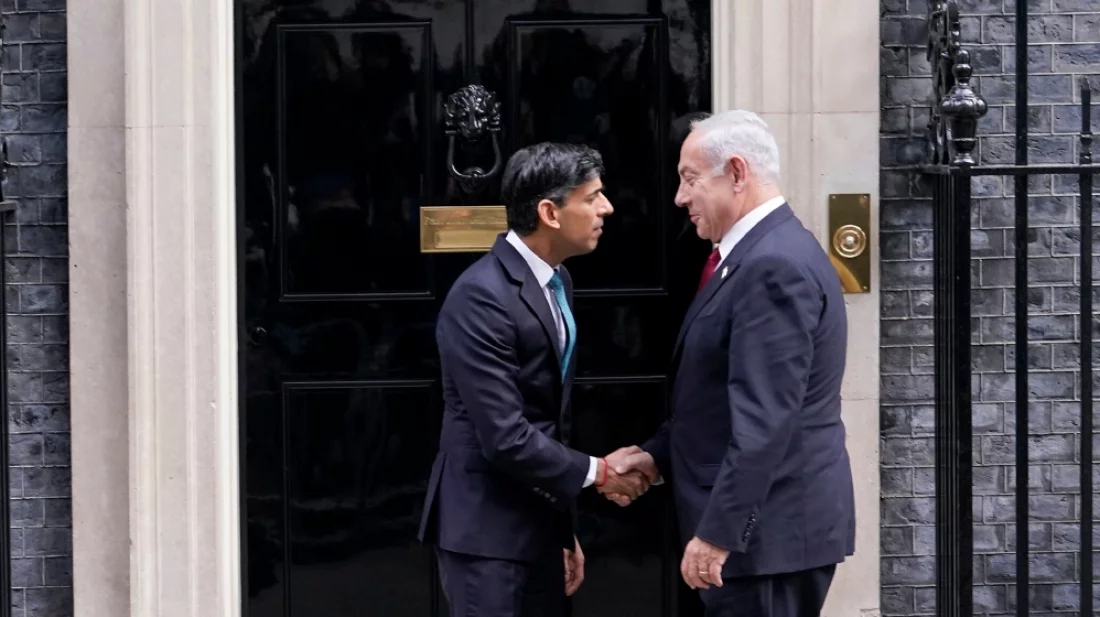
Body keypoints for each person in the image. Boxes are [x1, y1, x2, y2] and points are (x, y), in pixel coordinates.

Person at [605, 110, 856, 617]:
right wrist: (657, 456)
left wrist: (720, 533)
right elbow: (719, 398)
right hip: (762, 540)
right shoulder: (754, 256)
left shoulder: (773, 265)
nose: (680, 197)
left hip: (765, 542)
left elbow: (765, 419)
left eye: (690, 178)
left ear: (737, 173)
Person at [417, 142, 651, 617]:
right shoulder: (480, 296)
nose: (606, 208)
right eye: (592, 197)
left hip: (541, 526)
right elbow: (505, 435)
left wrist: (563, 530)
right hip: (487, 534)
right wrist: (601, 473)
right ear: (549, 212)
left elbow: (549, 422)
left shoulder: (558, 281)